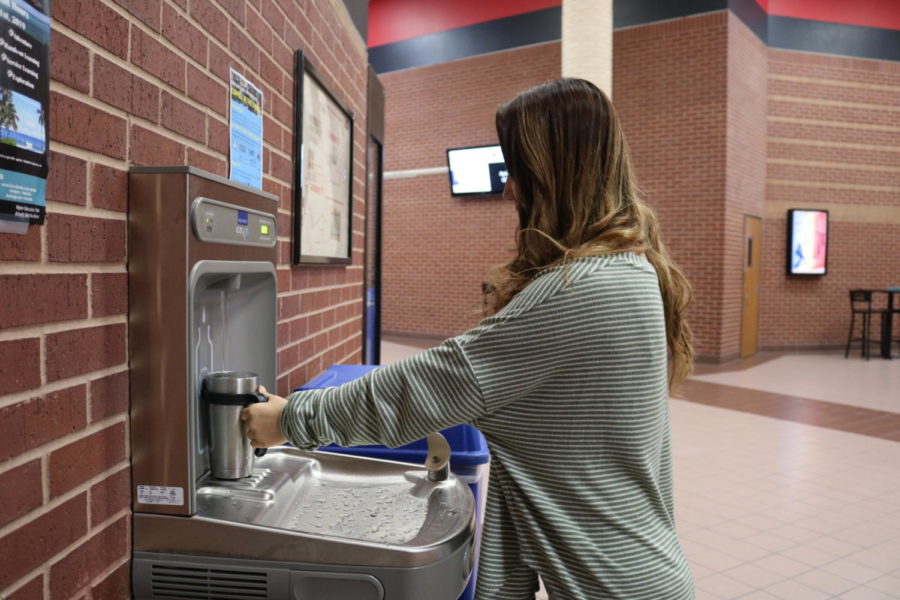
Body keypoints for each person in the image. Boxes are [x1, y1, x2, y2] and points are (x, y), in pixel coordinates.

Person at [243, 78, 696, 600]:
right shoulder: (628, 270)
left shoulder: (584, 291)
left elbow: (430, 384)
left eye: (517, 170)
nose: (509, 190)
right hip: (634, 571)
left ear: (557, 171)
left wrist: (290, 419)